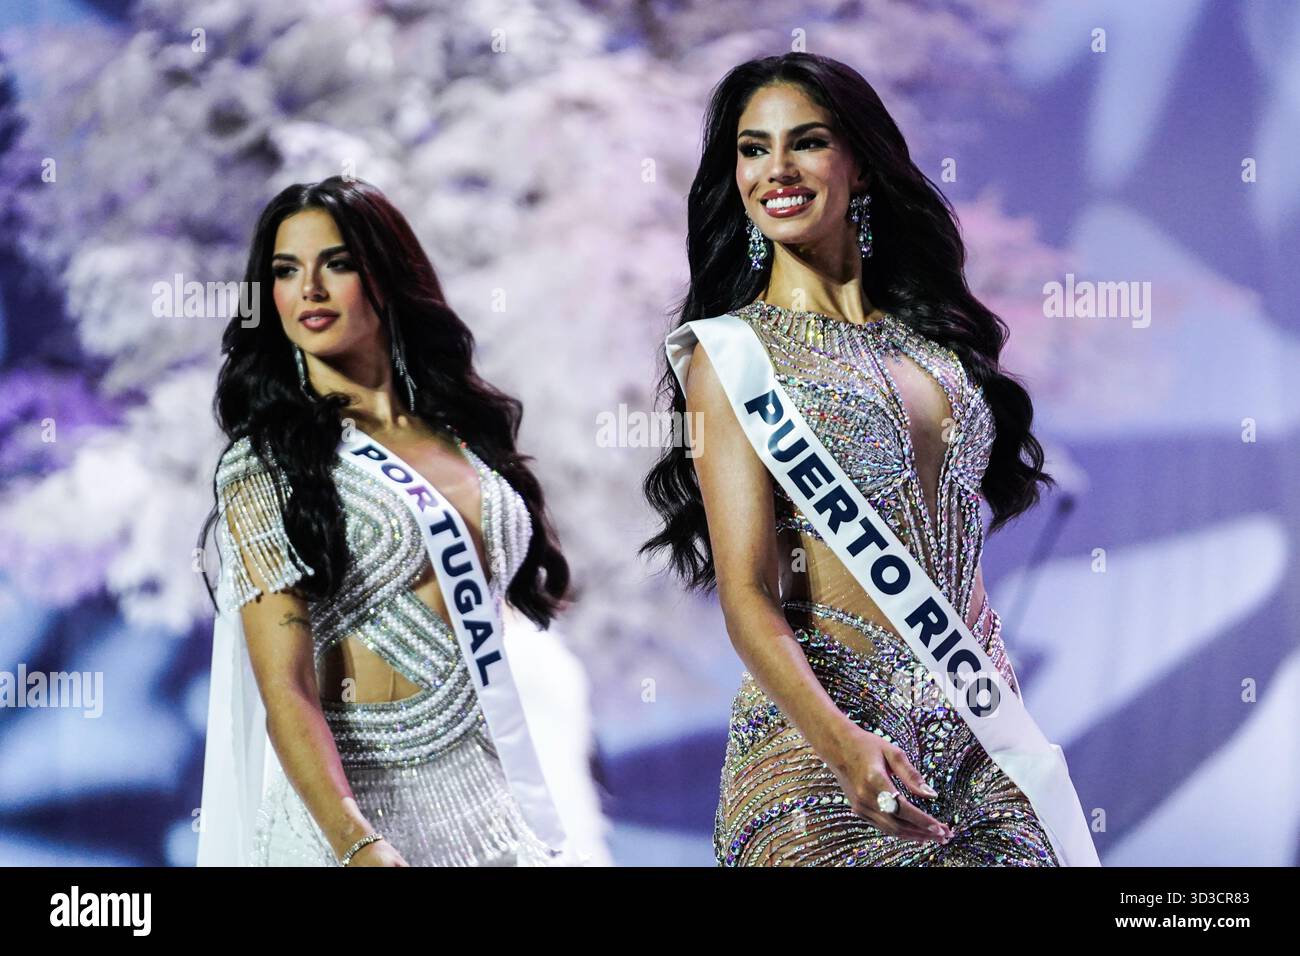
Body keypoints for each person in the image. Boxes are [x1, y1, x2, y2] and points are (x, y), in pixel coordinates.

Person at [642, 53, 1097, 866]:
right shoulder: (732, 357)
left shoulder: (941, 350)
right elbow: (747, 594)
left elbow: (957, 558)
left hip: (977, 737)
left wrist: (994, 707)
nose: (775, 169)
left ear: (861, 164)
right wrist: (841, 744)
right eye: (752, 149)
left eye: (806, 142)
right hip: (818, 752)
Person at [197, 175, 574, 866]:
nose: (309, 289)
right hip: (349, 816)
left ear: (387, 275)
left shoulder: (460, 430)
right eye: (286, 271)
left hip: (488, 807)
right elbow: (284, 685)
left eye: (335, 263)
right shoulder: (267, 464)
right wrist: (358, 842)